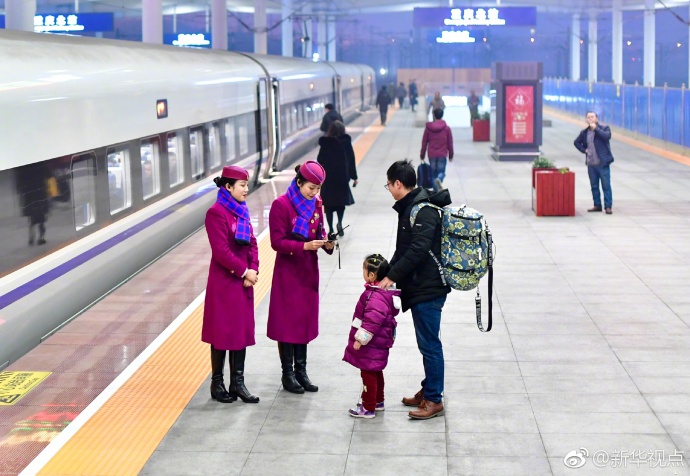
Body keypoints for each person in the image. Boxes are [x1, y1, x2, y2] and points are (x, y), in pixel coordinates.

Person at [379, 160, 452, 420]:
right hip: (420, 285)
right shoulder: (410, 207)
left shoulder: (423, 211)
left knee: (430, 345)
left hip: (429, 288)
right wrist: (386, 273)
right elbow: (404, 249)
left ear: (398, 183)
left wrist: (392, 276)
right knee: (426, 345)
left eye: (389, 184)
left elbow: (418, 250)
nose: (389, 189)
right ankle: (428, 390)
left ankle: (434, 400)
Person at [267, 161, 335, 394]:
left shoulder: (317, 204)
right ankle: (288, 374)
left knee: (303, 322)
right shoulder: (281, 205)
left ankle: (301, 372)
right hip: (288, 273)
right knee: (287, 323)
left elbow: (320, 231)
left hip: (307, 271)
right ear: (298, 183)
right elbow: (276, 242)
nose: (314, 193)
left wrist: (327, 243)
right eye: (310, 188)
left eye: (318, 189)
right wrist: (304, 246)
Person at [202, 165, 260, 404]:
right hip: (225, 283)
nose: (246, 189)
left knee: (240, 331)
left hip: (243, 283)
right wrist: (245, 271)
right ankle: (217, 384)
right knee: (222, 332)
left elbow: (252, 242)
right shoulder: (216, 213)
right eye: (242, 185)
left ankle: (237, 383)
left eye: (246, 185)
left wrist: (254, 269)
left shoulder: (241, 209)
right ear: (228, 187)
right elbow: (221, 252)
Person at [343, 254, 401, 418]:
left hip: (371, 344)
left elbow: (371, 321)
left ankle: (368, 408)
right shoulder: (383, 293)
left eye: (364, 270)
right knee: (376, 371)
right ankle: (378, 401)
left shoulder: (374, 296)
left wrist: (360, 339)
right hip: (379, 342)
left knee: (367, 374)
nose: (362, 272)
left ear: (371, 275)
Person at [317, 120, 358, 236]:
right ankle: (339, 222)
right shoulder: (346, 142)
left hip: (328, 178)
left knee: (328, 205)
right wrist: (354, 177)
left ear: (330, 131)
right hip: (342, 177)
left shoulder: (325, 143)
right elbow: (351, 160)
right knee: (341, 203)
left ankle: (330, 229)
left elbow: (320, 160)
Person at [573, 111, 615, 214]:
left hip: (602, 163)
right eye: (588, 117)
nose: (590, 119)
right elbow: (576, 142)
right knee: (594, 185)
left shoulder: (604, 128)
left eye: (592, 117)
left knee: (606, 185)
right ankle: (597, 205)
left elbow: (607, 136)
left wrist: (596, 129)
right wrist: (584, 150)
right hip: (591, 163)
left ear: (596, 118)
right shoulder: (584, 132)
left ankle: (608, 206)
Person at [420, 108, 454, 192]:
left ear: (434, 116)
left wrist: (422, 155)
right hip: (442, 154)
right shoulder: (447, 129)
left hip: (432, 154)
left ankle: (436, 192)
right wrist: (451, 155)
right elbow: (450, 143)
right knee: (441, 172)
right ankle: (439, 179)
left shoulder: (428, 128)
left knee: (433, 174)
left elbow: (424, 142)